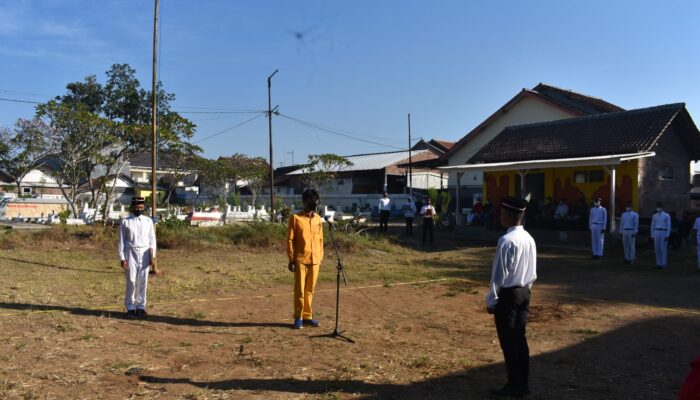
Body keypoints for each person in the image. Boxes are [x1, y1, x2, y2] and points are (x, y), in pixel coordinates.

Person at [486, 196, 537, 398]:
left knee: (509, 343)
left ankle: (514, 385)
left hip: (509, 295)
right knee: (520, 340)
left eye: (502, 213)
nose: (500, 216)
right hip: (525, 292)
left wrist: (492, 300)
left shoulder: (506, 241)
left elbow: (498, 276)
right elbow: (532, 272)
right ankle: (522, 384)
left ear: (507, 215)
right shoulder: (529, 239)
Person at [287, 189, 324, 329]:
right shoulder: (295, 218)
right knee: (300, 291)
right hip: (301, 260)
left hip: (315, 261)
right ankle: (298, 317)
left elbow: (321, 239)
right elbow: (290, 240)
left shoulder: (318, 219)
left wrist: (320, 257)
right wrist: (291, 259)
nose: (315, 203)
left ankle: (307, 316)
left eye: (316, 200)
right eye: (312, 200)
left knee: (310, 290)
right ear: (305, 201)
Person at [118, 197, 157, 318]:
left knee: (143, 280)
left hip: (145, 252)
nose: (139, 209)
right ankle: (130, 306)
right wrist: (122, 257)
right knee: (131, 280)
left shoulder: (148, 221)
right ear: (133, 207)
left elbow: (152, 239)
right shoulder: (125, 221)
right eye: (136, 207)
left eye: (141, 207)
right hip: (130, 252)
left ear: (143, 207)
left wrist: (153, 255)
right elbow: (122, 241)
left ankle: (140, 306)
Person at [651, 202, 671, 269]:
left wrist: (667, 235)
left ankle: (663, 264)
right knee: (657, 248)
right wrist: (652, 235)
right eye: (657, 206)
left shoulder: (666, 215)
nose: (658, 208)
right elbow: (652, 225)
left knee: (663, 248)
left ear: (662, 207)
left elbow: (668, 226)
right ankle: (658, 264)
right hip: (656, 231)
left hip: (663, 232)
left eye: (660, 206)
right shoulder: (654, 215)